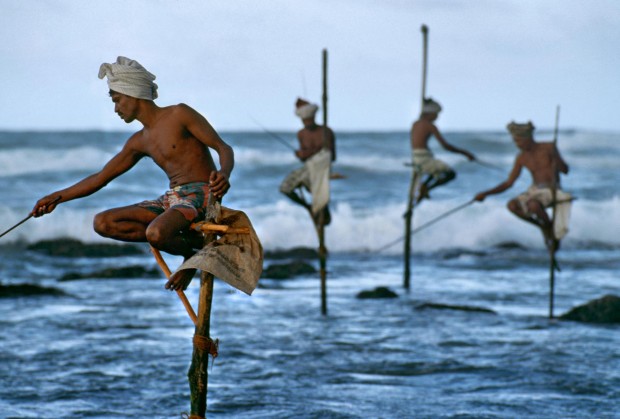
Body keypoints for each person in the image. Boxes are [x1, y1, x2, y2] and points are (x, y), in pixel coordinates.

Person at [32, 56, 234, 291]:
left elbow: (223, 147)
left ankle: (191, 258)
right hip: (173, 198)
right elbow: (100, 178)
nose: (116, 108)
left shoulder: (179, 114)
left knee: (156, 233)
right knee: (103, 223)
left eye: (117, 100)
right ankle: (197, 247)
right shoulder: (138, 141)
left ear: (133, 94)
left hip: (202, 193)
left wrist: (225, 173)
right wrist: (56, 197)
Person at [474, 121, 571, 251]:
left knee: (533, 205)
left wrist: (555, 159)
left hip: (552, 189)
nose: (517, 145)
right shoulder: (521, 157)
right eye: (515, 141)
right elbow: (509, 183)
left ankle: (548, 229)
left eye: (519, 141)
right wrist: (486, 193)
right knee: (512, 205)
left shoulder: (548, 147)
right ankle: (544, 226)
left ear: (528, 138)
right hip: (535, 190)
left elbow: (565, 170)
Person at [279, 98, 335, 225]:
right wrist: (301, 155)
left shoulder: (326, 132)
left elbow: (331, 155)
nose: (306, 122)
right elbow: (304, 158)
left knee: (318, 192)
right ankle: (308, 207)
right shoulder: (301, 134)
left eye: (308, 119)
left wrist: (309, 153)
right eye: (304, 120)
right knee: (285, 188)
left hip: (321, 168)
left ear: (313, 117)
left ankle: (321, 213)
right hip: (308, 168)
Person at [410, 97, 476, 202]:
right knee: (450, 174)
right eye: (436, 114)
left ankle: (424, 186)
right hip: (424, 159)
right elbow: (445, 146)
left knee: (435, 171)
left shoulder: (415, 124)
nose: (437, 117)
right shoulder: (430, 126)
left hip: (416, 157)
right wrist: (465, 153)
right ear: (430, 113)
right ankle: (427, 188)